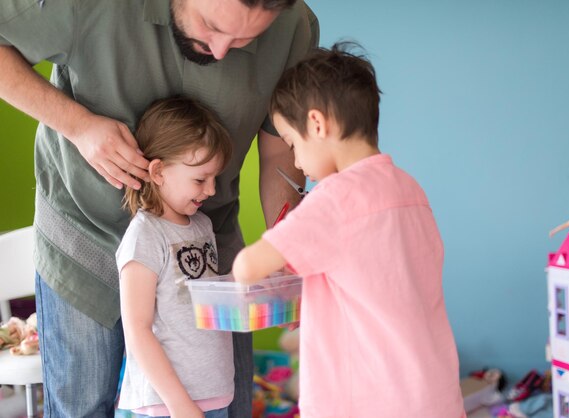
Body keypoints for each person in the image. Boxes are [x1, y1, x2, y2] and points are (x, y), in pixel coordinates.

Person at [0, 0, 318, 416]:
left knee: (232, 401)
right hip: (84, 232)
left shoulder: (294, 26)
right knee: (82, 405)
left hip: (208, 249)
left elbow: (280, 154)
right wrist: (77, 124)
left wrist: (285, 245)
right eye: (210, 26)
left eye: (245, 40)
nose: (221, 52)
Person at [232, 43, 466, 418]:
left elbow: (248, 267)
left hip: (366, 401)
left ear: (317, 124)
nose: (295, 160)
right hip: (432, 394)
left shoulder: (335, 199)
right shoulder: (410, 189)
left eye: (292, 144)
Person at [117, 96, 234, 418]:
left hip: (213, 394)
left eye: (214, 179)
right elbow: (137, 329)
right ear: (158, 171)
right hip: (166, 405)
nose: (210, 191)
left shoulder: (202, 224)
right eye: (200, 179)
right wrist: (178, 403)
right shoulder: (145, 235)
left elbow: (201, 298)